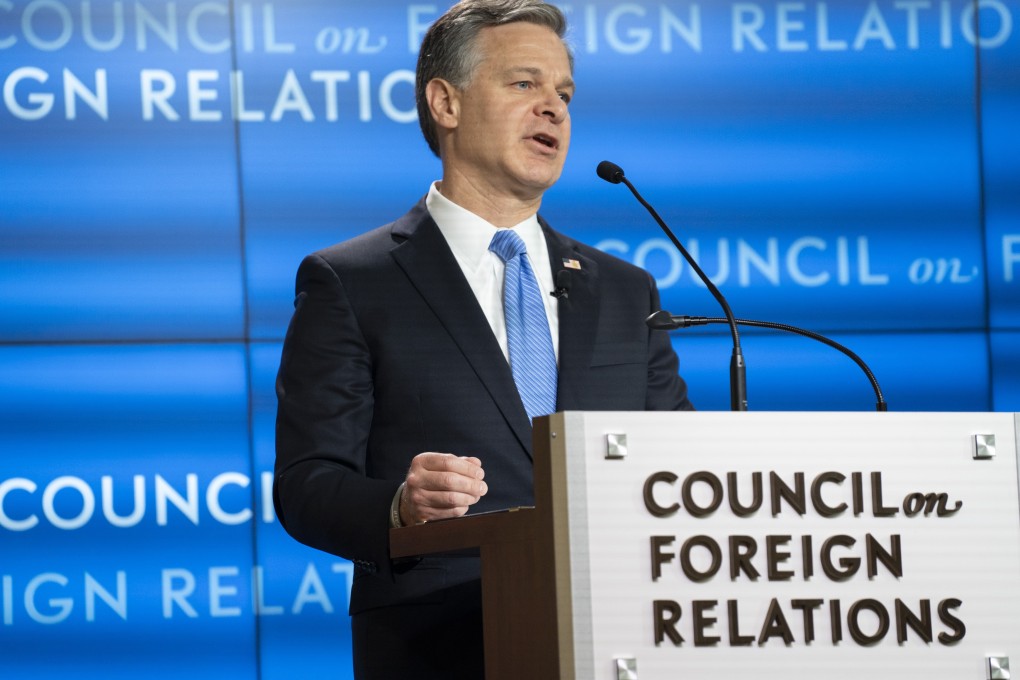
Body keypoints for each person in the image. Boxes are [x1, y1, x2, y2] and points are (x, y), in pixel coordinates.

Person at [273, 1, 694, 677]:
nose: (553, 109)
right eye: (524, 83)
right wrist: (400, 507)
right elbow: (307, 484)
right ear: (446, 102)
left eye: (564, 94)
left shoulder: (626, 290)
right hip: (442, 643)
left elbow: (681, 466)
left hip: (624, 634)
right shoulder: (351, 281)